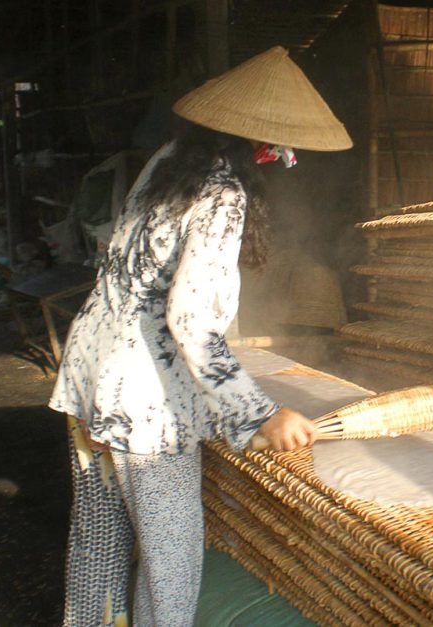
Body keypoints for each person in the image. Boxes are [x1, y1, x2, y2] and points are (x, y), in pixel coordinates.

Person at [48, 46, 352, 627]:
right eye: (279, 149)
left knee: (100, 540)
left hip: (92, 375)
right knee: (172, 561)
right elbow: (187, 320)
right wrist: (261, 414)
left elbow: (130, 267)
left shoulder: (167, 161)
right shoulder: (221, 196)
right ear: (261, 145)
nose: (281, 159)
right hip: (145, 402)